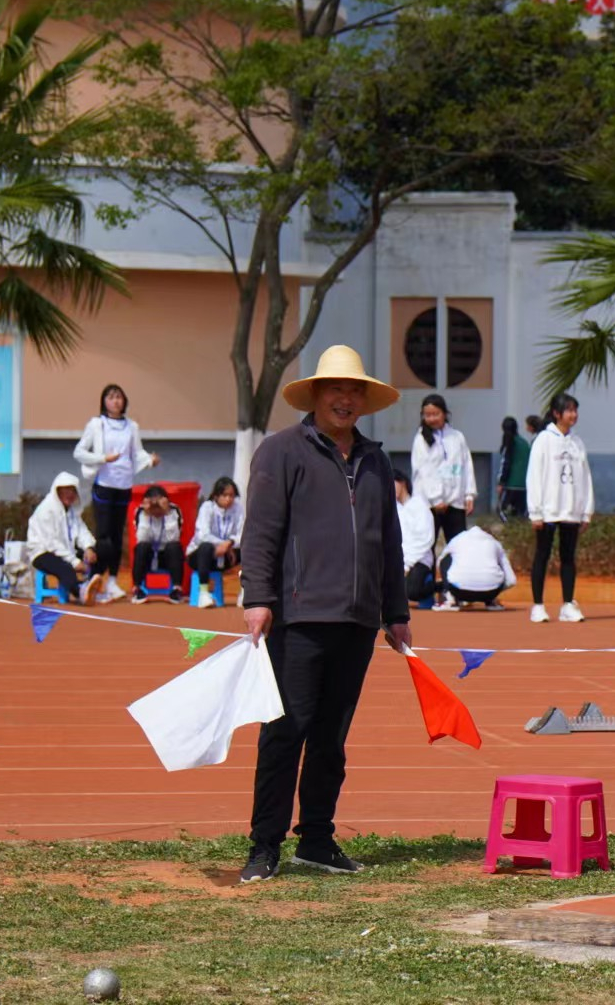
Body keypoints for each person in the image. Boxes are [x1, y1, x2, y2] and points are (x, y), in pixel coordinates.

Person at [238, 345, 411, 884]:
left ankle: (316, 839)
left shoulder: (376, 460)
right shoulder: (280, 451)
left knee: (332, 740)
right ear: (315, 394)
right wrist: (258, 598)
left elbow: (389, 542)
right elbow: (262, 532)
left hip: (357, 621)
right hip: (298, 617)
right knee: (285, 732)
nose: (346, 398)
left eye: (355, 390)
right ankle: (265, 845)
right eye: (336, 389)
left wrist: (395, 609)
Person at [73, 384, 159, 602]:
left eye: (119, 397)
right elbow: (79, 452)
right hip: (104, 483)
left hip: (124, 485)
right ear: (104, 401)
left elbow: (137, 453)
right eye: (111, 397)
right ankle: (95, 577)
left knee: (117, 535)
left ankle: (111, 580)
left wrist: (150, 460)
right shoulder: (97, 424)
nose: (115, 401)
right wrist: (102, 458)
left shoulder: (132, 426)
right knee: (104, 537)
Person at [527, 392, 595, 624]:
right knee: (542, 556)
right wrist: (535, 511)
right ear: (557, 414)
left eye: (575, 410)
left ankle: (567, 604)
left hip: (571, 510)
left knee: (568, 557)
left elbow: (585, 477)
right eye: (569, 410)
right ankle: (537, 605)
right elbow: (534, 476)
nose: (573, 415)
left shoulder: (577, 442)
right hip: (548, 510)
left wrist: (586, 510)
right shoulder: (543, 440)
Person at [26, 472, 105, 605]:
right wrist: (74, 562)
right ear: (57, 490)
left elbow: (82, 531)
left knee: (102, 550)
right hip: (42, 552)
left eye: (73, 491)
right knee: (65, 568)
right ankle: (80, 591)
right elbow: (52, 543)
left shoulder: (72, 511)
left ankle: (91, 585)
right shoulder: (46, 510)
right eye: (66, 490)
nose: (70, 494)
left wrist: (88, 548)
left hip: (66, 551)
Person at [411, 394, 476, 547]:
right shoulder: (421, 439)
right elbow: (424, 471)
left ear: (445, 414)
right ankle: (429, 572)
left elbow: (466, 465)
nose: (432, 418)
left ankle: (453, 572)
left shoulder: (457, 437)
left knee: (458, 546)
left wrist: (469, 494)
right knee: (426, 547)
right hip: (430, 504)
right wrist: (436, 498)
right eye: (428, 415)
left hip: (454, 502)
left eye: (435, 414)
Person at [187, 477, 243, 610]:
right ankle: (204, 593)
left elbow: (242, 534)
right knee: (205, 547)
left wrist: (229, 543)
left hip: (227, 555)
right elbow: (203, 535)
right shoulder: (207, 507)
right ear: (216, 495)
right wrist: (222, 545)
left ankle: (245, 592)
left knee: (248, 549)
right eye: (225, 495)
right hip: (200, 556)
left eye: (232, 496)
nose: (228, 499)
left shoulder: (238, 508)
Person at [436, 524, 517, 611]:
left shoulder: (458, 538)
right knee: (497, 563)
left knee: (446, 558)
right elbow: (511, 580)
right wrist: (494, 586)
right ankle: (491, 601)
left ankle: (451, 600)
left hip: (459, 591)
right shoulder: (495, 543)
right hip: (490, 593)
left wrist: (447, 584)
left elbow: (440, 561)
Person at [130, 485, 185, 604]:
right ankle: (137, 588)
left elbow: (173, 537)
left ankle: (176, 589)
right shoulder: (140, 512)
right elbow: (141, 538)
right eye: (153, 506)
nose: (156, 510)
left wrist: (166, 513)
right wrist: (146, 514)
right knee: (141, 547)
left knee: (175, 547)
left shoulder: (174, 511)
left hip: (166, 555)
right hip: (148, 555)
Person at [394, 470, 438, 608]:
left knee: (411, 591)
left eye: (392, 483)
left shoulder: (419, 505)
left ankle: (441, 586)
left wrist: (407, 564)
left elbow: (425, 539)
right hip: (398, 560)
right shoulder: (393, 509)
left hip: (418, 560)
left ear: (403, 483)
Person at [495, 417, 532, 522]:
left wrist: (501, 482)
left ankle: (509, 531)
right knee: (521, 515)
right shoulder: (524, 443)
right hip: (524, 486)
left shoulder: (509, 443)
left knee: (503, 511)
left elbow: (505, 464)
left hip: (511, 485)